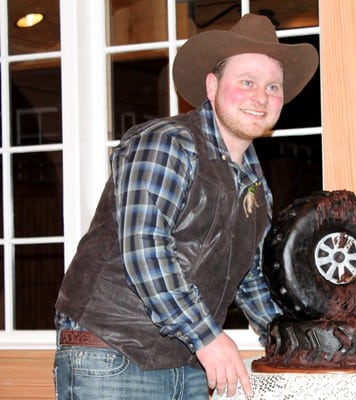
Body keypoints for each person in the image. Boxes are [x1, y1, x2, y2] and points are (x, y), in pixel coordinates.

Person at [53, 13, 318, 400]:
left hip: (187, 359)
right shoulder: (167, 143)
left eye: (272, 86)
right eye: (247, 82)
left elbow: (249, 278)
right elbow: (145, 248)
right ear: (212, 87)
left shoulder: (255, 183)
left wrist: (288, 343)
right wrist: (208, 337)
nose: (261, 97)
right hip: (111, 354)